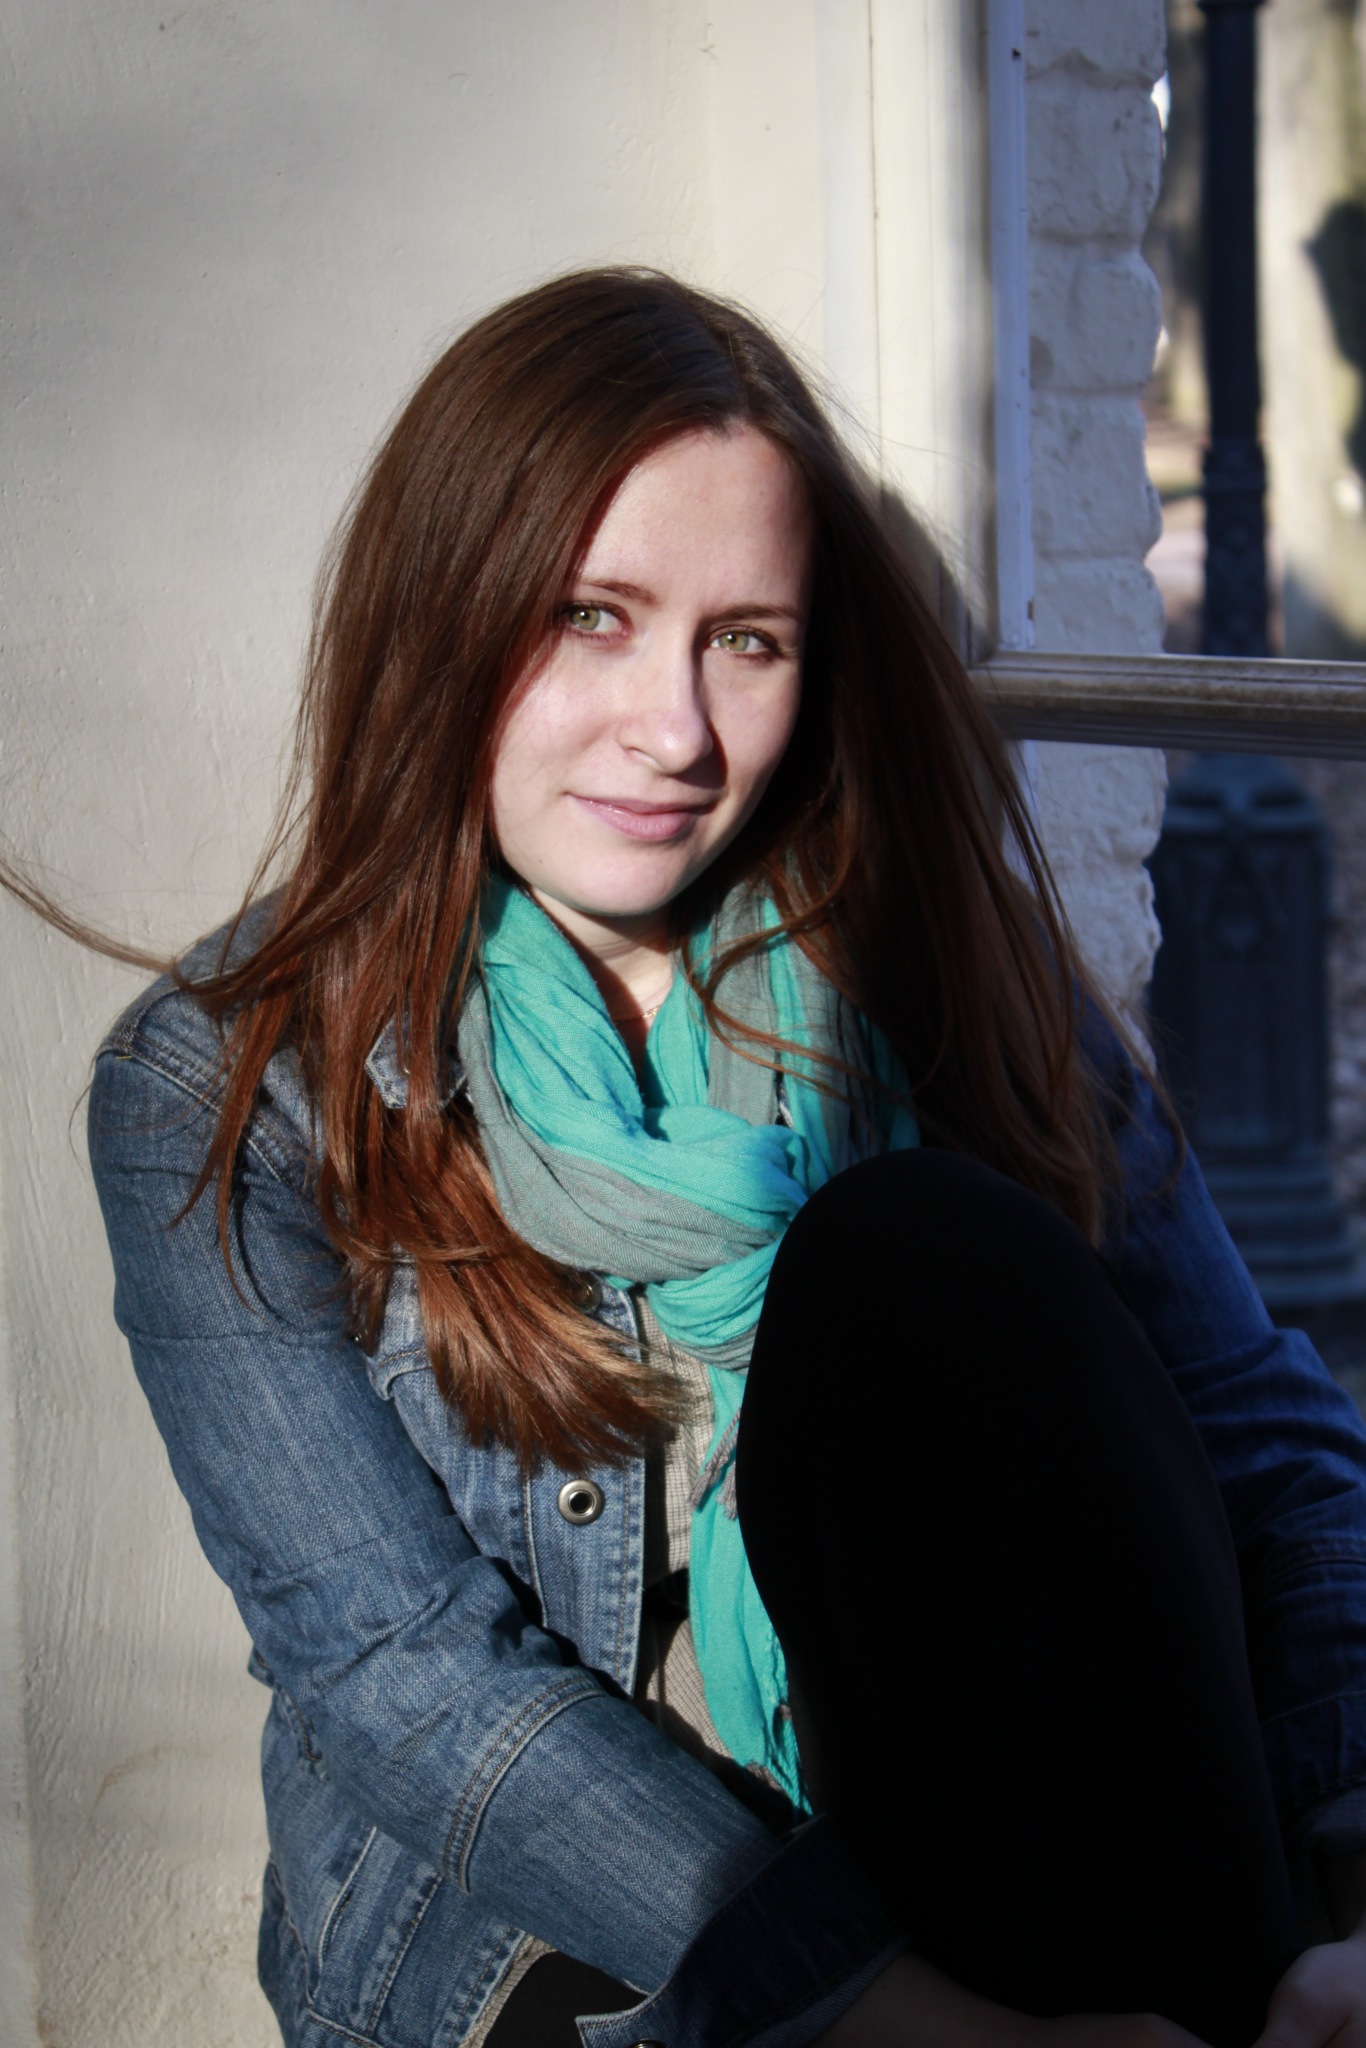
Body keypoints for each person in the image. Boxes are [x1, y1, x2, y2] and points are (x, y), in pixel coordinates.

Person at [56, 267, 1366, 2047]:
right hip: (539, 1928)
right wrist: (948, 2034)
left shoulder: (940, 965)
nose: (673, 732)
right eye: (589, 618)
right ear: (439, 617)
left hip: (976, 1835)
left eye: (746, 641)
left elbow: (1261, 1445)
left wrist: (1350, 1898)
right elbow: (404, 1679)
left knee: (921, 1255)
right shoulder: (227, 1092)